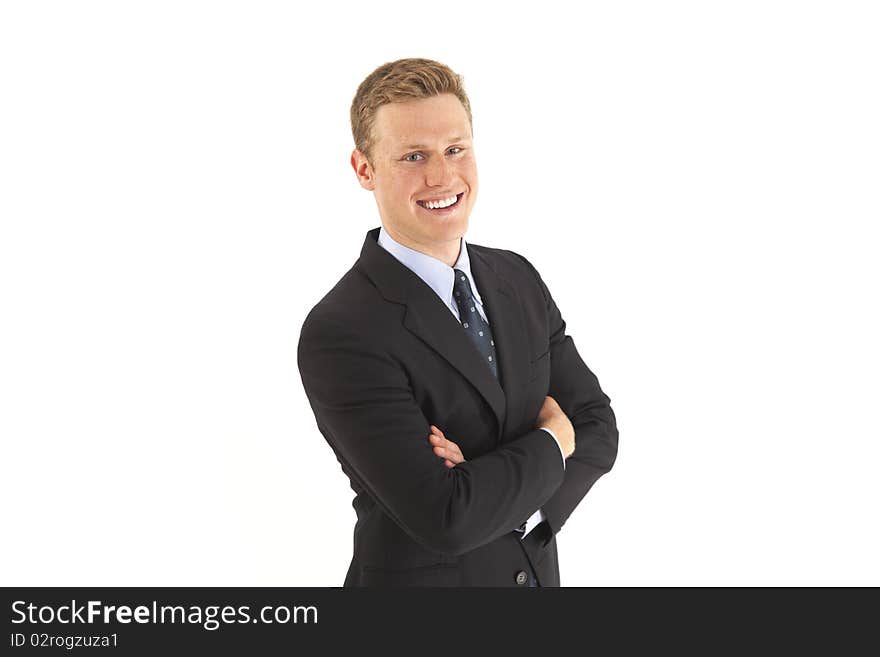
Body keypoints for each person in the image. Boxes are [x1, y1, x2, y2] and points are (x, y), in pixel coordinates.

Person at [297, 58, 618, 587]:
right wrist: (552, 440)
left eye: (455, 149)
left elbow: (597, 427)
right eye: (413, 156)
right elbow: (447, 517)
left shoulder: (517, 278)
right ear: (364, 169)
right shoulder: (342, 331)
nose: (442, 177)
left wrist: (491, 487)